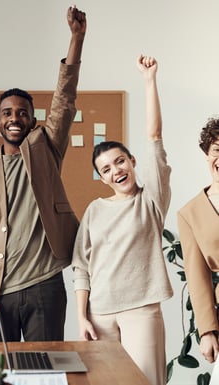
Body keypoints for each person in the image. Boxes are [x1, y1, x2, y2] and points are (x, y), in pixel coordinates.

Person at [0, 6, 86, 342]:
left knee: (43, 371)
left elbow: (64, 99)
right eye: (7, 113)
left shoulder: (46, 148)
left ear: (32, 121)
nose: (14, 117)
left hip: (44, 284)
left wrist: (77, 39)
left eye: (22, 113)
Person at [72, 55, 173, 385]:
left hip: (141, 311)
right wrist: (82, 316)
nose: (116, 171)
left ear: (132, 161)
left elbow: (155, 137)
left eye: (120, 161)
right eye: (106, 169)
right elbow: (81, 267)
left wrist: (149, 81)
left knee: (145, 382)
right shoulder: (94, 211)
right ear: (101, 177)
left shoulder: (150, 201)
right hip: (99, 315)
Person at [177, 118, 219, 364]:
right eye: (217, 150)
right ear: (207, 154)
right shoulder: (189, 213)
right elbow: (196, 275)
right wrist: (207, 331)